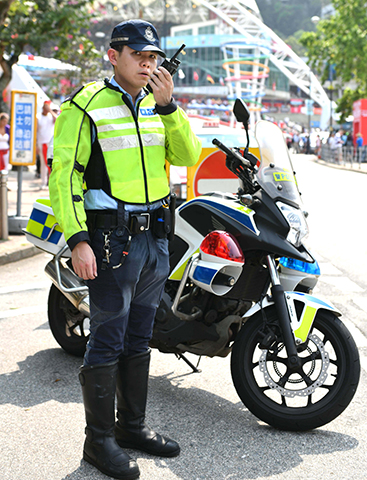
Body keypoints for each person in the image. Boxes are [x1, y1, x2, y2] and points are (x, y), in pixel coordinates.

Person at [49, 19, 201, 480]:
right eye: (139, 56)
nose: (148, 64)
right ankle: (98, 443)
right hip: (109, 243)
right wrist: (77, 240)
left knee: (140, 336)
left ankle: (130, 427)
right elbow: (64, 178)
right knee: (107, 340)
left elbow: (189, 156)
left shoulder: (159, 106)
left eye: (153, 57)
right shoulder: (86, 106)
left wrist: (169, 105)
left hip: (154, 239)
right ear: (114, 56)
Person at [37, 100, 57, 188]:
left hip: (51, 143)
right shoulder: (38, 116)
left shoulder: (51, 116)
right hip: (41, 143)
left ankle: (50, 182)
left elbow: (57, 119)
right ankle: (43, 182)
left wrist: (50, 111)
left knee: (51, 163)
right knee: (43, 163)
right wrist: (35, 145)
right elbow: (35, 131)